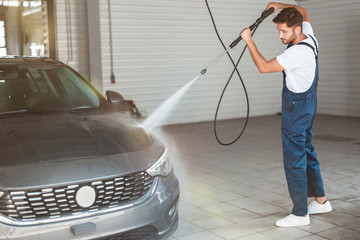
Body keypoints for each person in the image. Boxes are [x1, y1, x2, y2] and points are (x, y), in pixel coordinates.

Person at [239, 2, 332, 227]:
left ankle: (300, 214)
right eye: (279, 31)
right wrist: (278, 5)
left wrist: (249, 40)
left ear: (296, 29)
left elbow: (263, 67)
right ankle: (321, 202)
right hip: (307, 106)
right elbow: (304, 12)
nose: (280, 36)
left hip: (296, 110)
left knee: (295, 160)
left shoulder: (297, 52)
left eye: (284, 31)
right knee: (306, 151)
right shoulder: (309, 37)